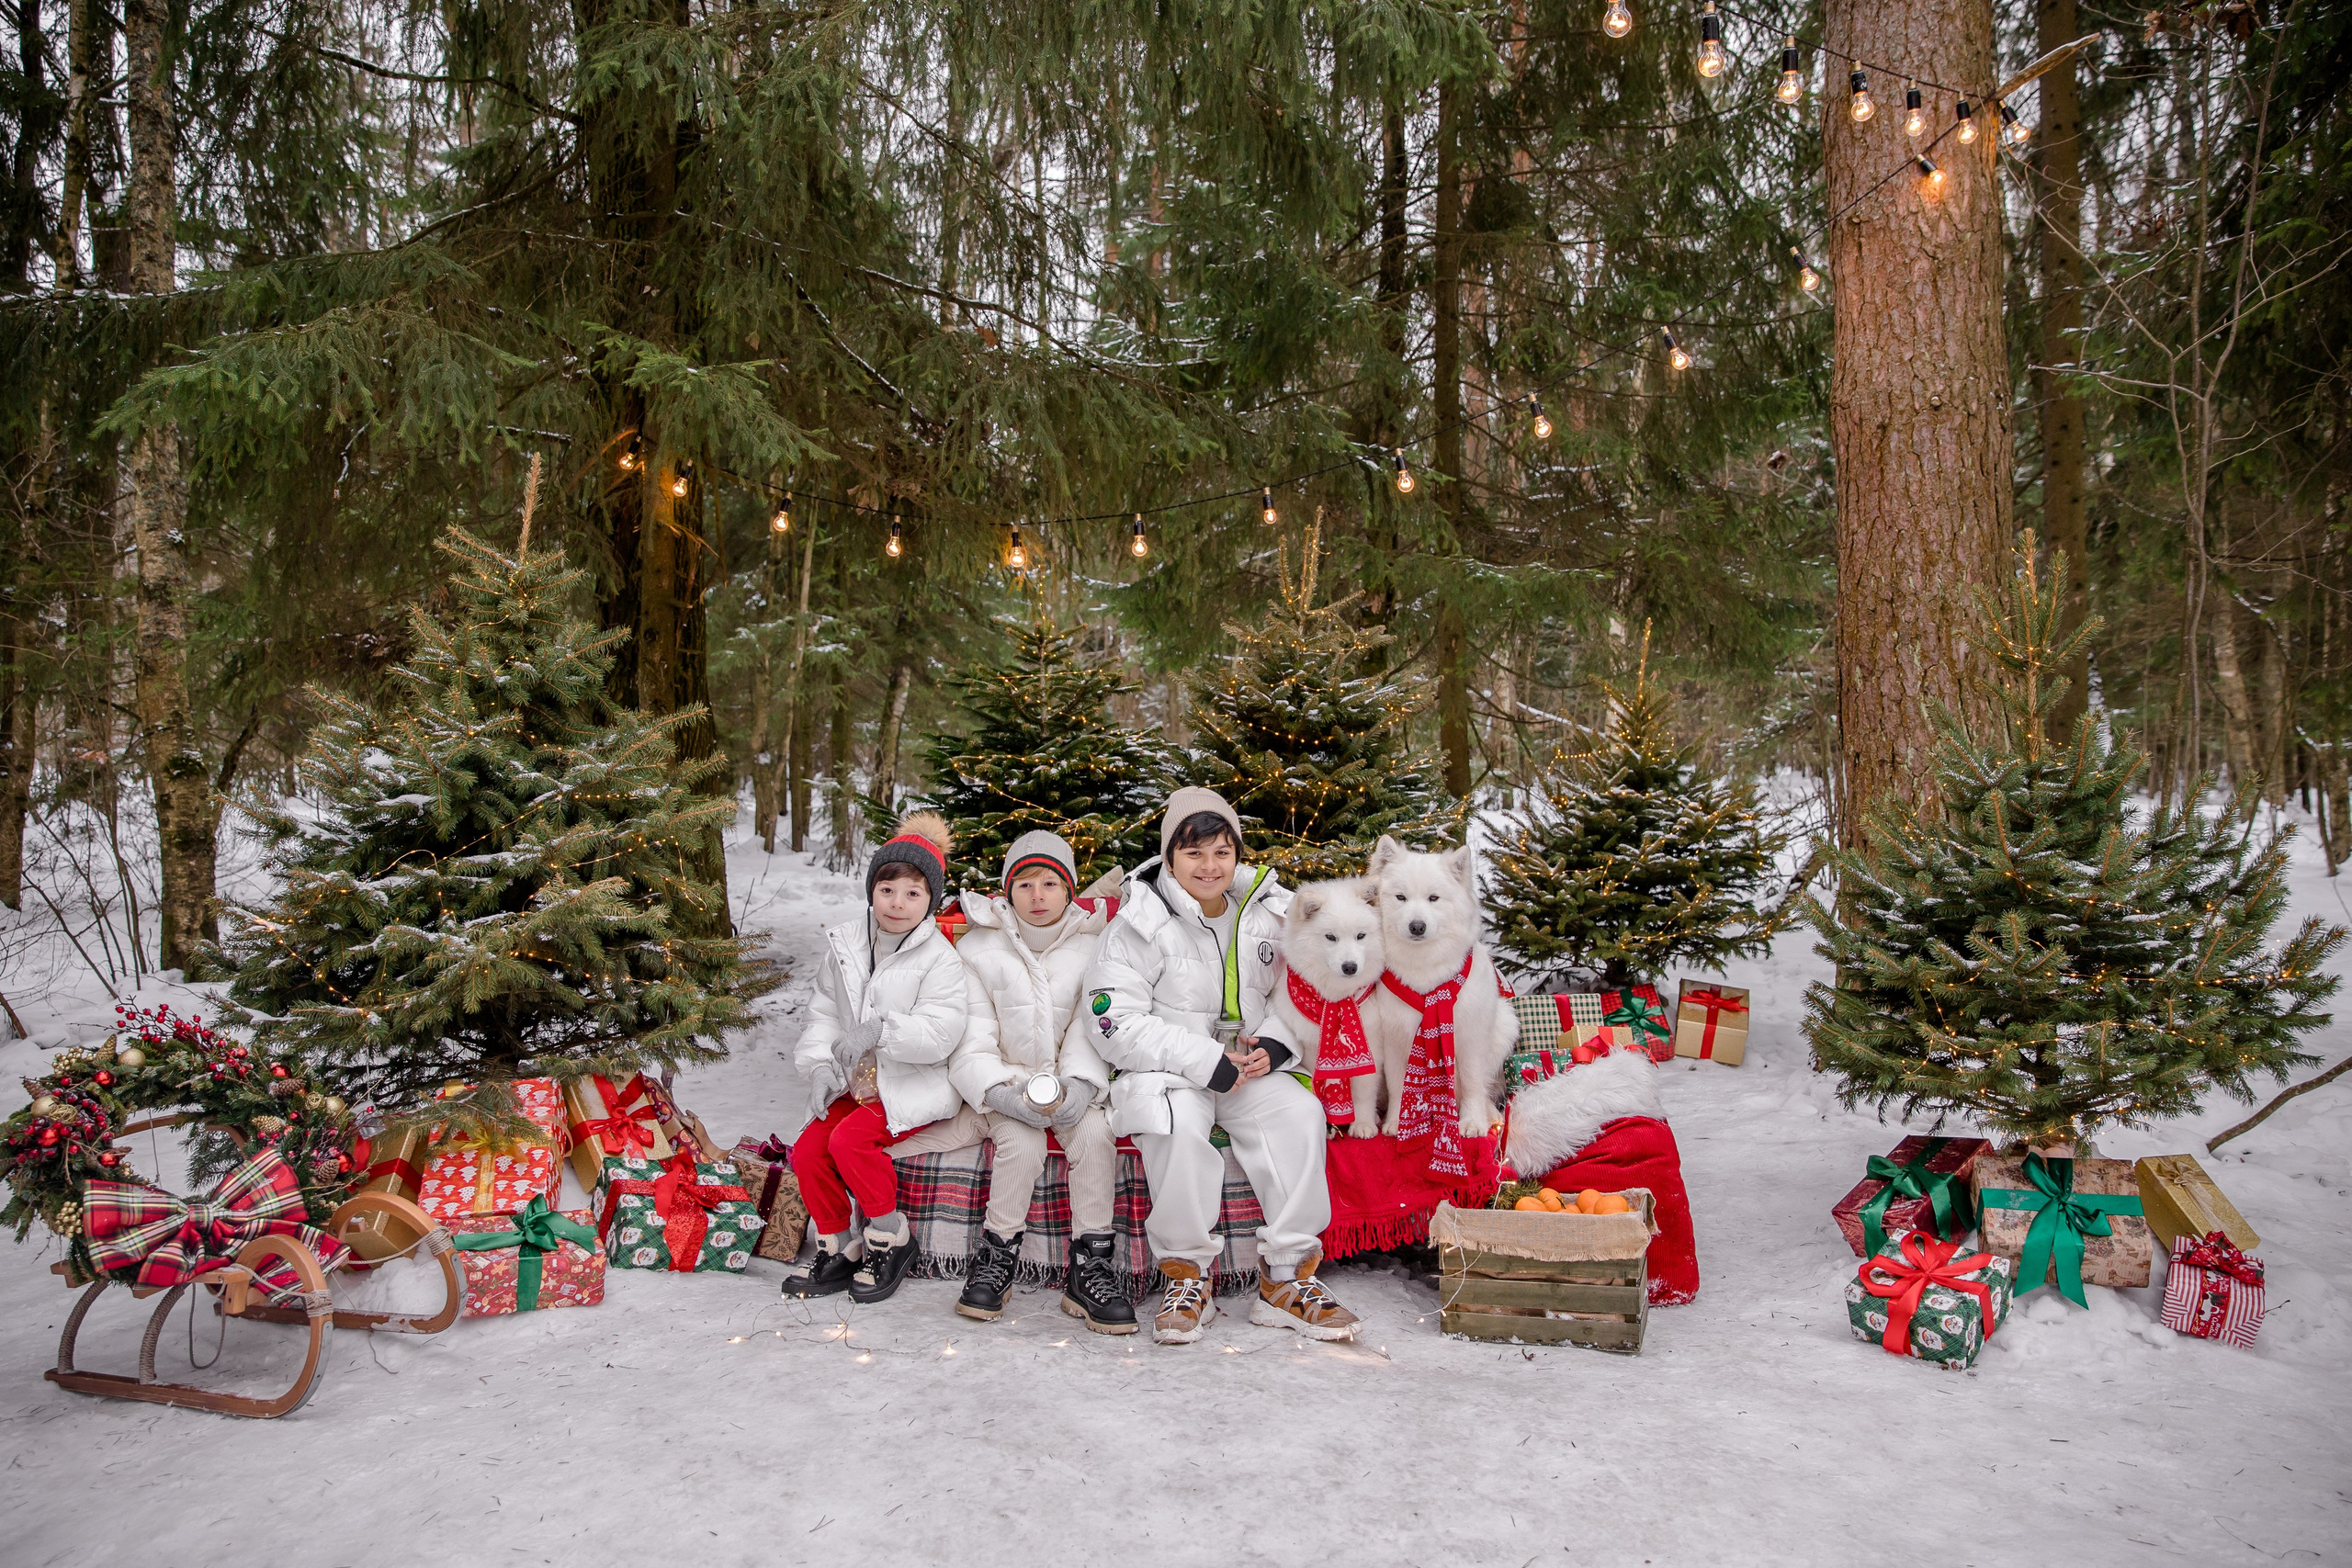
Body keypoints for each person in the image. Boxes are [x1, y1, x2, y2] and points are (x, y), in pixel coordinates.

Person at [1082, 786, 1361, 1345]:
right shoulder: (1137, 923)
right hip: (1172, 1071)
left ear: (1236, 853)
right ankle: (1186, 1276)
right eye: (1194, 853)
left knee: (1299, 1114)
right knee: (1178, 1128)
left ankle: (1286, 1277)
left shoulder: (1272, 912)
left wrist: (1281, 1044)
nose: (1209, 866)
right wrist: (1203, 1060)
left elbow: (1306, 991)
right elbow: (1111, 1021)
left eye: (1221, 852)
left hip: (1249, 1070)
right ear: (1169, 855)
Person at [785, 812, 982, 1303]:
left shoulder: (940, 958)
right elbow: (825, 1012)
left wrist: (882, 1030)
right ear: (872, 889)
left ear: (931, 901)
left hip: (912, 1082)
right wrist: (820, 1068)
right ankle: (837, 1244)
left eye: (913, 893)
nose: (898, 903)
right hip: (856, 1083)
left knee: (851, 1142)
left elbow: (941, 1032)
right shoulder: (847, 944)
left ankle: (891, 1237)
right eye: (888, 889)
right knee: (810, 1146)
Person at [947, 830, 1134, 1334]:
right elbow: (972, 1033)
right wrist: (997, 1092)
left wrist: (1082, 1084)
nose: (1037, 896)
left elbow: (1092, 1023)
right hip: (1005, 1082)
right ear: (1007, 891)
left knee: (1096, 1135)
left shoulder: (1094, 944)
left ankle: (1090, 1265)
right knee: (1023, 1142)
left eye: (1050, 883)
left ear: (1069, 889)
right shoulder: (979, 947)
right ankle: (998, 1255)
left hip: (1069, 1081)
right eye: (1025, 884)